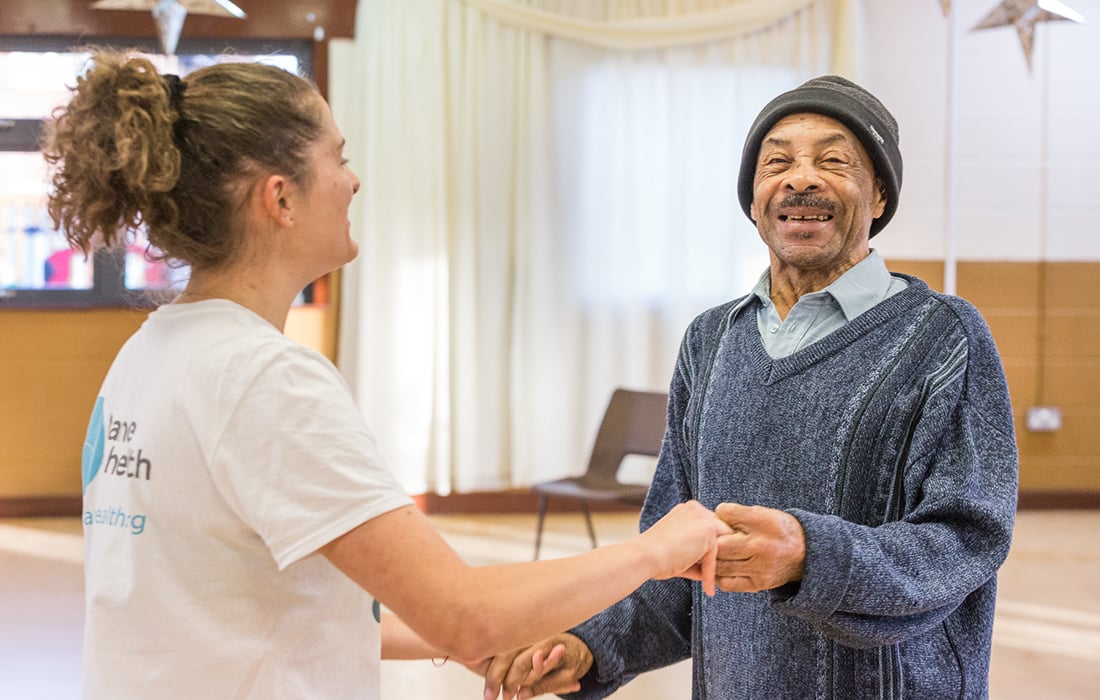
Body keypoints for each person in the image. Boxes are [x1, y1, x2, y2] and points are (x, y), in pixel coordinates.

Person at [45, 50, 732, 699]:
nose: (353, 180)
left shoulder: (151, 351)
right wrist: (656, 549)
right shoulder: (261, 376)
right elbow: (467, 612)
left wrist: (453, 640)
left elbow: (237, 599)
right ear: (280, 199)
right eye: (337, 157)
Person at [481, 75, 1019, 699]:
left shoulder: (945, 336)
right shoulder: (710, 341)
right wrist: (588, 646)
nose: (801, 178)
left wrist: (810, 557)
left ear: (878, 197)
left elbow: (965, 541)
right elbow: (671, 556)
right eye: (777, 163)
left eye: (834, 161)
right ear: (755, 199)